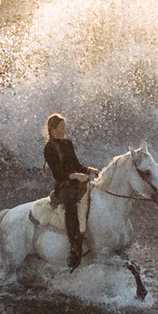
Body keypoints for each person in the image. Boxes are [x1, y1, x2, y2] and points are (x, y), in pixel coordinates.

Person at [43, 112, 100, 268]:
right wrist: (76, 176)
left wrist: (90, 170)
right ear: (53, 129)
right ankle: (74, 246)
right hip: (63, 186)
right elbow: (58, 175)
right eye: (61, 127)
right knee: (71, 204)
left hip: (76, 181)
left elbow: (77, 164)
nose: (64, 130)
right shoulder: (49, 148)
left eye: (65, 127)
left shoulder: (67, 143)